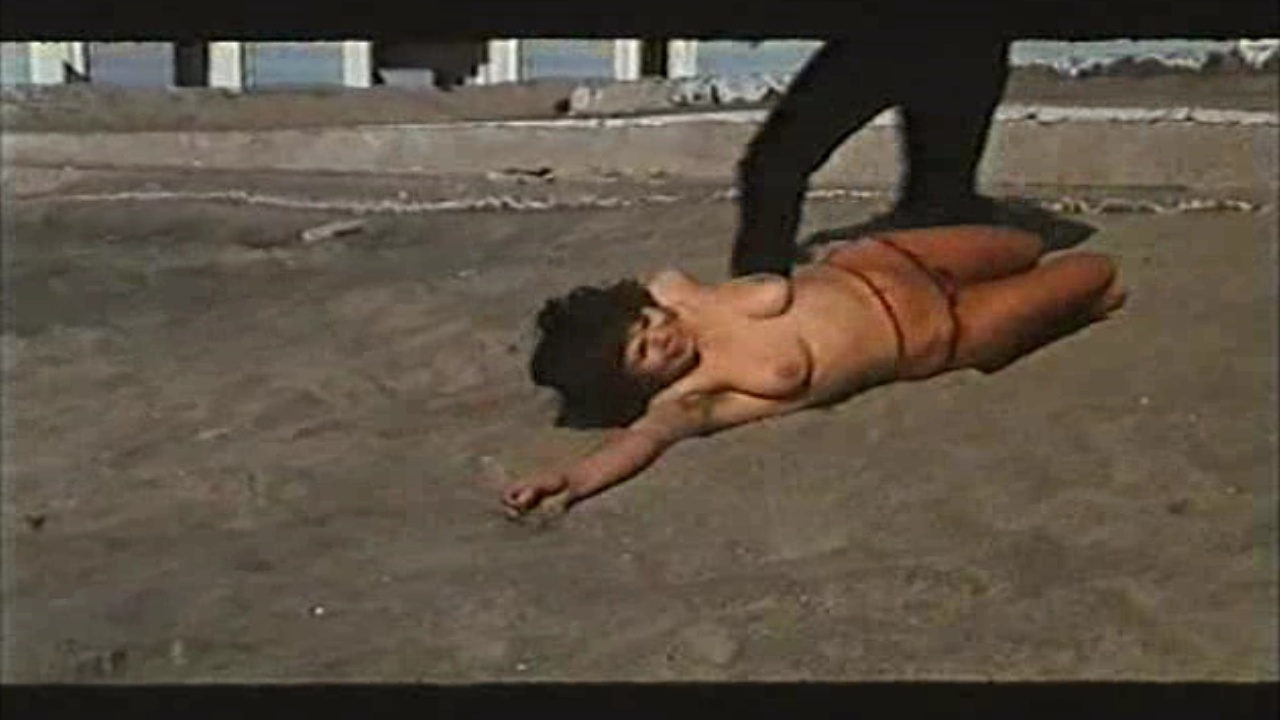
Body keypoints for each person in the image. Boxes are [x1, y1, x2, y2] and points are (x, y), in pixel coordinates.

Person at [501, 225, 1125, 517]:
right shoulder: (693, 396)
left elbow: (626, 297)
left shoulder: (677, 294)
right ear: (634, 385)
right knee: (1094, 271)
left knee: (1026, 243)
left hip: (889, 259)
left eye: (646, 323)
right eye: (643, 354)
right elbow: (642, 441)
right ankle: (1070, 316)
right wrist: (572, 479)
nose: (659, 336)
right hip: (944, 330)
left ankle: (1066, 314)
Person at [730, 35, 1013, 277]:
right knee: (939, 200)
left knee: (939, 202)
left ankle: (759, 285)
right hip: (946, 41)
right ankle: (760, 284)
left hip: (918, 41)